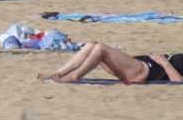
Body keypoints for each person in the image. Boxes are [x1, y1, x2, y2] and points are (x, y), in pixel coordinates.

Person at [46, 42, 183, 85]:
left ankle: (75, 76)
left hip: (145, 71)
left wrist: (165, 63)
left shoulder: (169, 64)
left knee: (100, 48)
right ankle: (60, 73)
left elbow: (179, 82)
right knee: (90, 45)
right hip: (142, 65)